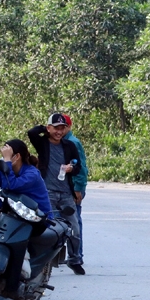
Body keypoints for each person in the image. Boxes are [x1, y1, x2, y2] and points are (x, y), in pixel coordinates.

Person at [0, 139, 52, 296]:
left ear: (16, 156)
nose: (4, 158)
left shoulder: (32, 174)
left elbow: (11, 185)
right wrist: (0, 206)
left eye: (7, 155)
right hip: (15, 216)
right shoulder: (5, 172)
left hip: (36, 219)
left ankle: (12, 286)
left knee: (18, 238)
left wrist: (6, 163)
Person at [27, 114, 84, 275]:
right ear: (49, 128)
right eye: (56, 128)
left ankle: (75, 260)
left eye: (62, 128)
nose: (59, 131)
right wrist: (45, 129)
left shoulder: (69, 146)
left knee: (74, 229)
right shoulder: (43, 143)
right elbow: (31, 133)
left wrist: (71, 169)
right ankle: (45, 262)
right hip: (47, 192)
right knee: (48, 228)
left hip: (66, 192)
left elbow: (78, 166)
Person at [62, 113, 88, 271]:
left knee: (74, 222)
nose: (60, 130)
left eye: (63, 127)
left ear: (69, 127)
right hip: (63, 188)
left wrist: (79, 188)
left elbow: (81, 167)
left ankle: (77, 255)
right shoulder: (60, 142)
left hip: (73, 188)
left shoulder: (73, 143)